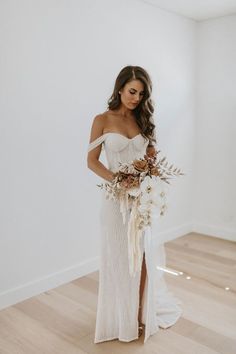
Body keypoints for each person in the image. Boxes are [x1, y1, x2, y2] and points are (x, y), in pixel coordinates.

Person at [87, 65, 183, 344]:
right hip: (114, 203)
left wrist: (148, 172)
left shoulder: (143, 120)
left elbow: (151, 158)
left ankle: (140, 314)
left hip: (141, 202)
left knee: (142, 258)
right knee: (118, 259)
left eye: (141, 94)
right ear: (119, 88)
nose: (135, 98)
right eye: (132, 91)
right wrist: (117, 180)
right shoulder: (102, 119)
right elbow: (92, 161)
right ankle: (120, 317)